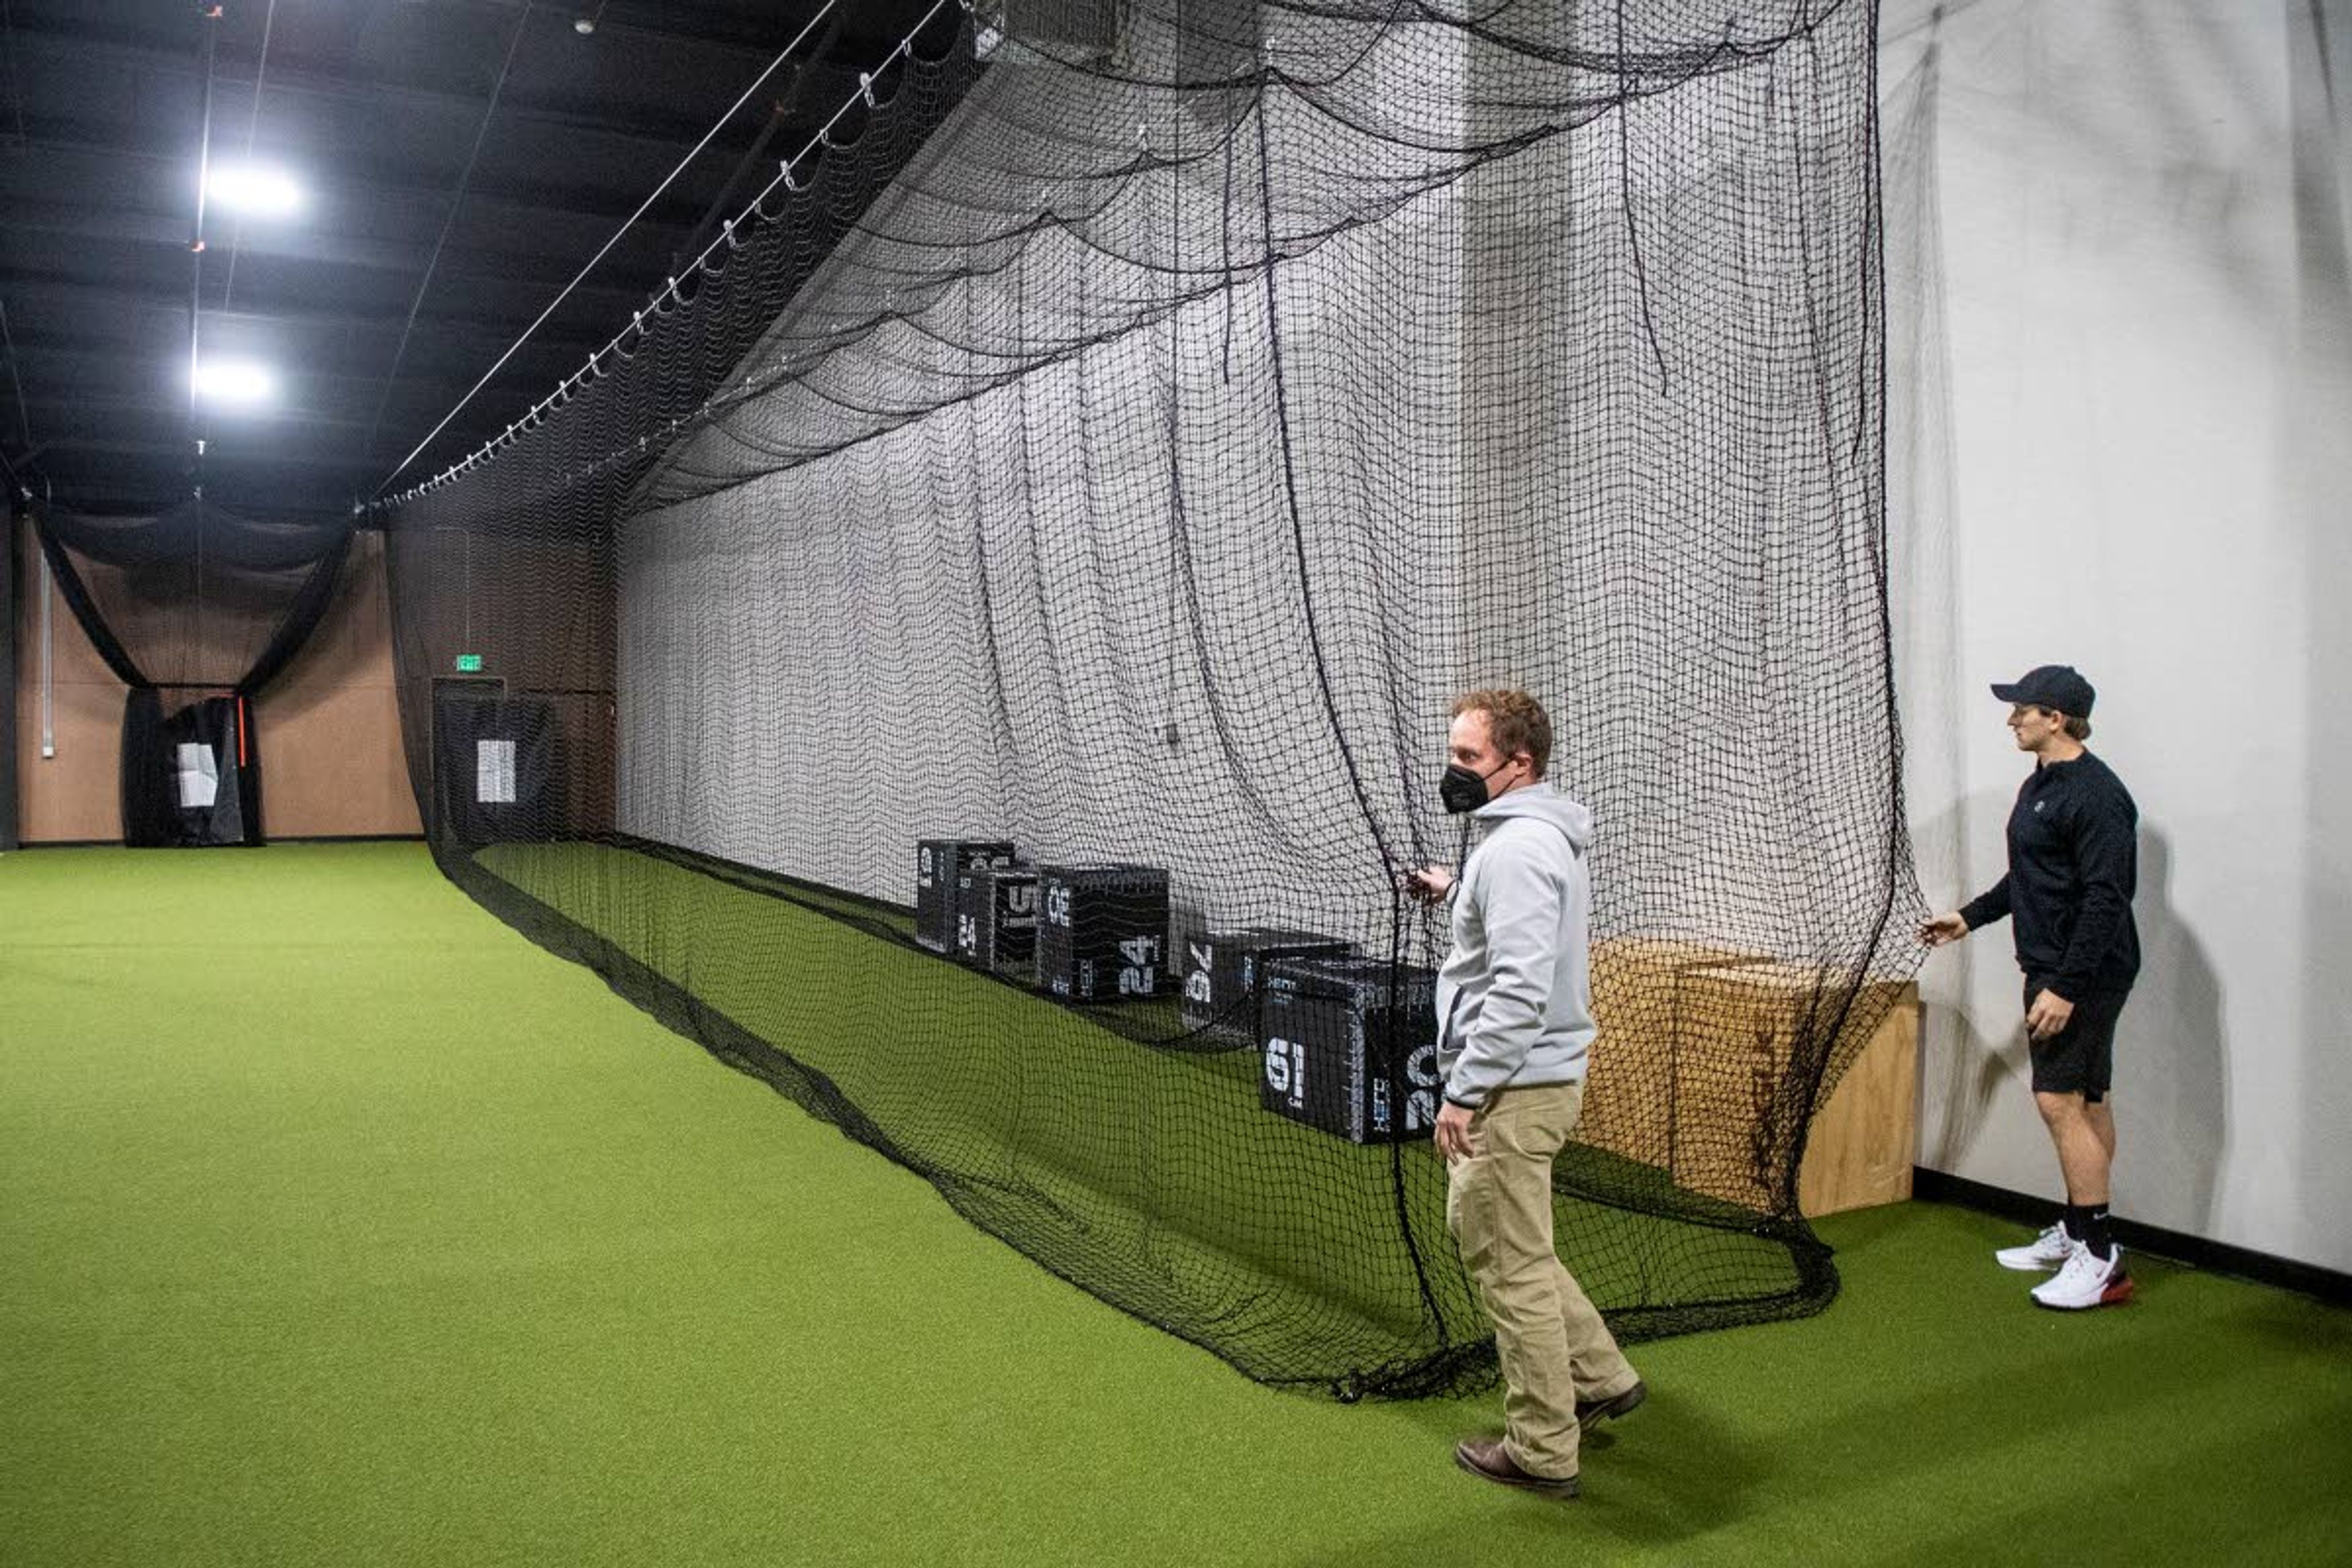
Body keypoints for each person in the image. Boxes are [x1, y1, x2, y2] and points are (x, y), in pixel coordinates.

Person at [1405, 688, 1643, 1499]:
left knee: (1506, 1264)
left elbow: (1517, 990)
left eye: (1468, 759)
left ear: (1519, 764)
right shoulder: (1527, 839)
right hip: (1539, 1077)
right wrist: (1455, 889)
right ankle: (1602, 1378)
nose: (1454, 772)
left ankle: (1542, 1448)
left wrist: (1464, 1092)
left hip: (1511, 1085)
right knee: (1523, 1247)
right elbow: (1512, 928)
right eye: (1453, 755)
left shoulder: (1514, 852)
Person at [1919, 664, 2139, 1311]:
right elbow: (2030, 880)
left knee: (2059, 1101)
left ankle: (2100, 1259)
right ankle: (2079, 1230)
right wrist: (1967, 917)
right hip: (2058, 966)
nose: (2012, 719)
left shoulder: (2097, 796)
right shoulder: (2041, 785)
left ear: (2059, 719)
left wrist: (2067, 985)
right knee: (2088, 1099)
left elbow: (2106, 896)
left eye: (2024, 709)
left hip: (2083, 972)